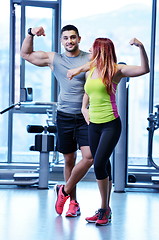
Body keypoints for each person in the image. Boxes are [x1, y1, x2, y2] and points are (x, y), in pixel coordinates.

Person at [67, 37, 150, 226]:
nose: (90, 50)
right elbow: (88, 93)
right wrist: (84, 109)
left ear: (101, 51)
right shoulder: (90, 69)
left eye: (93, 48)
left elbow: (144, 69)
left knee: (98, 164)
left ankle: (104, 209)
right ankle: (105, 209)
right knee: (104, 166)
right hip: (93, 125)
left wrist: (141, 47)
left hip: (110, 124)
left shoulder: (115, 70)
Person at [20, 25, 93, 217]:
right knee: (69, 159)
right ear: (62, 41)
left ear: (79, 38)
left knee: (89, 157)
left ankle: (64, 191)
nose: (69, 41)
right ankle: (73, 203)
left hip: (86, 116)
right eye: (66, 38)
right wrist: (30, 34)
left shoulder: (90, 58)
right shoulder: (55, 59)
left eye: (73, 37)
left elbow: (110, 67)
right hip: (65, 116)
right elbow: (26, 54)